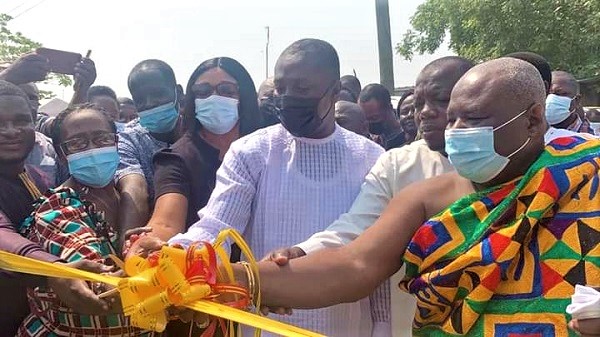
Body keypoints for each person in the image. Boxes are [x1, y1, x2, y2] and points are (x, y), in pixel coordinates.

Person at [230, 58, 600, 337]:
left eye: (471, 119)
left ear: (533, 120)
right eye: (452, 119)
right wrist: (234, 279)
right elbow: (354, 266)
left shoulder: (586, 172)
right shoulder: (423, 199)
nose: (454, 131)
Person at [162, 39, 388, 337]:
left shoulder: (372, 158)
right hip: (263, 326)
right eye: (281, 88)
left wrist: (382, 325)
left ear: (334, 91)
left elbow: (379, 253)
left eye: (302, 88)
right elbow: (217, 228)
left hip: (343, 325)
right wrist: (177, 255)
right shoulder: (252, 152)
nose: (288, 97)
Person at [265, 56, 473, 336]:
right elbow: (354, 231)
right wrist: (299, 255)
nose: (424, 112)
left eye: (439, 100)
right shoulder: (398, 164)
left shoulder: (535, 169)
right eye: (420, 102)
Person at [17, 103, 150, 336]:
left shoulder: (128, 198)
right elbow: (99, 288)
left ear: (116, 143)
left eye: (101, 139)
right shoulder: (58, 208)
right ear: (61, 154)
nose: (92, 149)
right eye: (78, 143)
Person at [0, 81, 114, 337]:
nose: (10, 131)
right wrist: (55, 270)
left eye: (21, 121)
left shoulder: (39, 177)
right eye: (0, 123)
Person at [115, 59, 181, 247]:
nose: (150, 103)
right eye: (141, 100)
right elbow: (135, 188)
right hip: (156, 241)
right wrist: (129, 243)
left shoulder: (200, 128)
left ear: (179, 92)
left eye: (158, 94)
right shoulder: (128, 139)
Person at [359, 83, 406, 150]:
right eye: (366, 119)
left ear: (389, 108)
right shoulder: (370, 142)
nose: (370, 123)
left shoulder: (408, 136)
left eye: (374, 118)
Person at [546, 70, 594, 135]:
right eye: (546, 93)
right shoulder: (531, 134)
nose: (550, 98)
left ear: (577, 100)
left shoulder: (593, 139)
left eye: (560, 93)